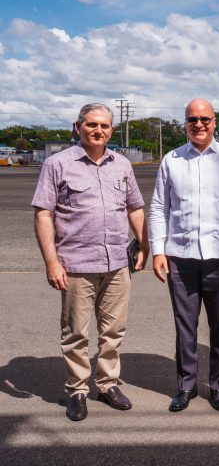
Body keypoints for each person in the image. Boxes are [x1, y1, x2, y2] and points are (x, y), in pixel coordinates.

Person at [32, 103, 149, 421]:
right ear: (78, 126)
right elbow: (44, 213)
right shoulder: (57, 164)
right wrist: (52, 262)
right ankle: (77, 391)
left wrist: (145, 244)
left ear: (112, 130)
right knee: (75, 333)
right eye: (92, 124)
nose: (98, 130)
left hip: (116, 263)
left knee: (114, 330)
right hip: (76, 264)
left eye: (105, 126)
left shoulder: (122, 165)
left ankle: (108, 384)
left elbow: (134, 207)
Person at [149, 98, 219, 412]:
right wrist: (158, 250)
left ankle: (218, 386)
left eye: (204, 119)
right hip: (179, 257)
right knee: (185, 325)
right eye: (192, 119)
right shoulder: (171, 160)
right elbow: (158, 208)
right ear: (185, 122)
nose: (198, 125)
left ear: (214, 121)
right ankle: (185, 386)